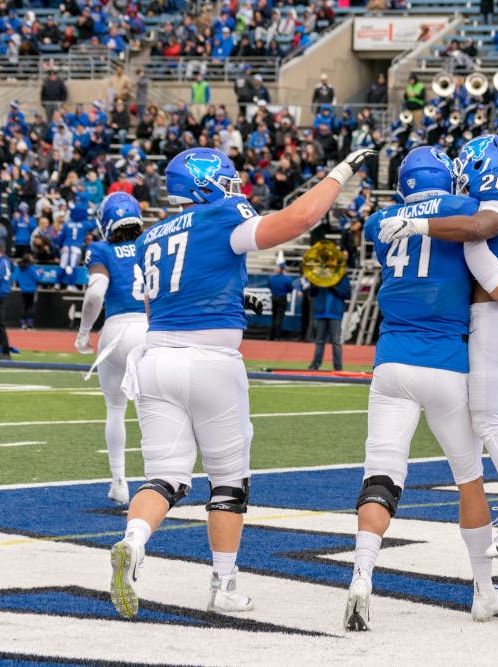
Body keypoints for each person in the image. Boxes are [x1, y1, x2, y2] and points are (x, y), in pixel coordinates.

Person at [108, 144, 375, 619]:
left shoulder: (151, 236)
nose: (234, 187)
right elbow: (297, 220)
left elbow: (164, 305)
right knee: (228, 483)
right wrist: (339, 174)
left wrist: (235, 298)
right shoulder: (223, 214)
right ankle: (223, 586)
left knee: (166, 476)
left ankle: (134, 540)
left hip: (155, 360)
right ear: (205, 182)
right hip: (209, 362)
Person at [345, 146, 498, 631]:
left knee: (382, 472)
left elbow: (389, 226)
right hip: (448, 362)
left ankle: (362, 573)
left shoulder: (382, 219)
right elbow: (484, 227)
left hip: (390, 362)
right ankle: (484, 591)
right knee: (469, 479)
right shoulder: (465, 208)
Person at [378, 135, 498, 559]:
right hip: (495, 315)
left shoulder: (496, 193)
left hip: (494, 317)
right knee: (482, 421)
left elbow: (484, 238)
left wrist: (419, 224)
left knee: (489, 421)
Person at [74, 193, 149, 506]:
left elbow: (95, 295)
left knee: (115, 409)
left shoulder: (101, 249)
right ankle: (157, 481)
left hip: (114, 333)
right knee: (151, 410)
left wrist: (82, 333)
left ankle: (119, 482)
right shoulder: (150, 245)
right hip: (148, 330)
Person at [307, 268, 351, 371]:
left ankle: (338, 367)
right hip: (320, 312)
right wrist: (314, 284)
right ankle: (315, 365)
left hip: (335, 313)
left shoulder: (342, 276)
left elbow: (347, 294)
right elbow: (312, 293)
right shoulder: (320, 274)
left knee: (336, 341)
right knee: (319, 341)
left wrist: (333, 287)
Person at [267, 262, 293, 341]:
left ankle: (271, 336)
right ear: (283, 269)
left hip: (274, 297)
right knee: (279, 317)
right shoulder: (287, 278)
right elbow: (291, 288)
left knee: (274, 317)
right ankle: (277, 336)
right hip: (282, 298)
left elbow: (269, 286)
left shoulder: (271, 278)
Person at [14, 253, 39, 330]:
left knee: (24, 306)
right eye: (31, 257)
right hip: (31, 290)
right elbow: (37, 279)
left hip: (23, 290)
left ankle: (23, 324)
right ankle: (30, 324)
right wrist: (39, 274)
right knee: (30, 306)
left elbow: (16, 278)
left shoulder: (20, 268)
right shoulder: (32, 269)